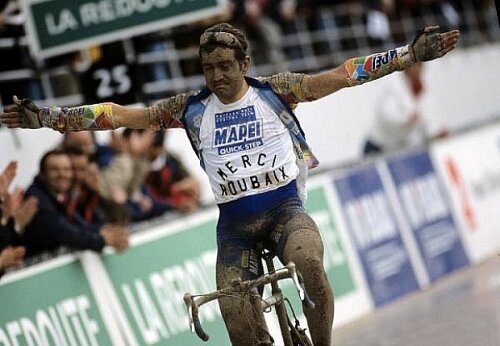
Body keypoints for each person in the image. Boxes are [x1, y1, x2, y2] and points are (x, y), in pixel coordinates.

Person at [1, 23, 460, 345]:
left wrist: (407, 55)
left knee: (308, 265)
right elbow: (117, 115)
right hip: (235, 229)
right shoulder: (189, 108)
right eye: (208, 67)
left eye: (225, 65)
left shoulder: (276, 89)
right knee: (237, 321)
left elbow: (342, 75)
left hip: (285, 212)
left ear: (245, 62)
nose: (216, 76)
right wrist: (49, 118)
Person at [17, 149, 130, 259]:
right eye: (54, 169)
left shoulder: (58, 195)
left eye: (66, 169)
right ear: (43, 174)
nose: (62, 174)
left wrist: (104, 229)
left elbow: (77, 225)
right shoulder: (36, 198)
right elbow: (62, 232)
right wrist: (102, 240)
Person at [362, 61, 448, 155]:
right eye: (415, 66)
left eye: (420, 66)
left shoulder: (422, 89)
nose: (418, 69)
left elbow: (428, 118)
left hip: (399, 148)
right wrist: (407, 119)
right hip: (378, 146)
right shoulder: (393, 85)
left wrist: (436, 133)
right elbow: (387, 115)